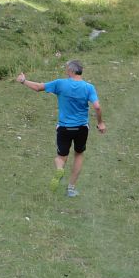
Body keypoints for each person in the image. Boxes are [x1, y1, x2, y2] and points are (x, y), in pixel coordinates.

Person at [16, 60, 105, 197]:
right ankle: (71, 188)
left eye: (66, 69)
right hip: (81, 128)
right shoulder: (89, 87)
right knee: (79, 154)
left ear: (71, 70)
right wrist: (100, 123)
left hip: (64, 128)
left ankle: (59, 169)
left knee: (61, 157)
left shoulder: (60, 83)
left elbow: (38, 87)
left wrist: (23, 81)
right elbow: (97, 107)